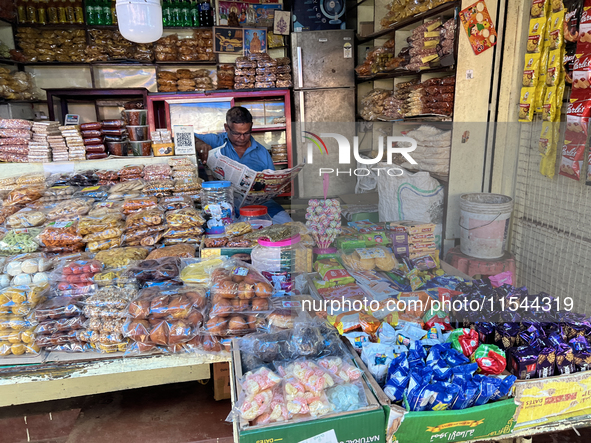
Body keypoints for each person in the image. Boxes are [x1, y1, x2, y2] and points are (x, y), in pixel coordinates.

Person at [195, 106, 292, 223]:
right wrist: (198, 143)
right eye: (236, 133)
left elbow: (272, 184)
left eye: (246, 133)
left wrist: (281, 187)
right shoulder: (216, 141)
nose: (242, 138)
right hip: (225, 208)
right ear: (226, 127)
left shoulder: (261, 152)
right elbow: (181, 136)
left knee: (290, 227)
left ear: (251, 126)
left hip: (261, 207)